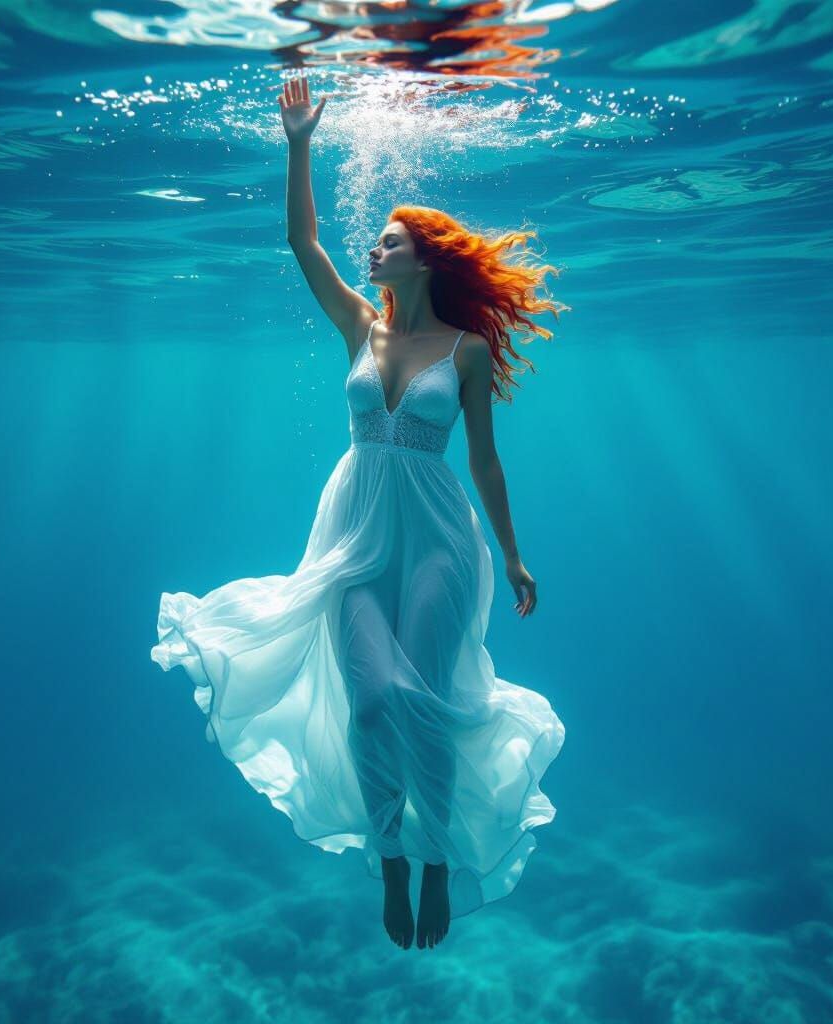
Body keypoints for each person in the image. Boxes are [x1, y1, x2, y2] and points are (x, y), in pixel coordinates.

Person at [151, 74, 567, 951]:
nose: (372, 253)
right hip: (352, 534)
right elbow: (302, 243)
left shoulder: (464, 349)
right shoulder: (360, 327)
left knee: (428, 701)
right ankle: (390, 860)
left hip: (441, 539)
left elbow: (485, 461)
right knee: (375, 702)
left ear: (425, 256)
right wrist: (299, 142)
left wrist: (518, 556)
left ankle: (442, 864)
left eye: (386, 242)